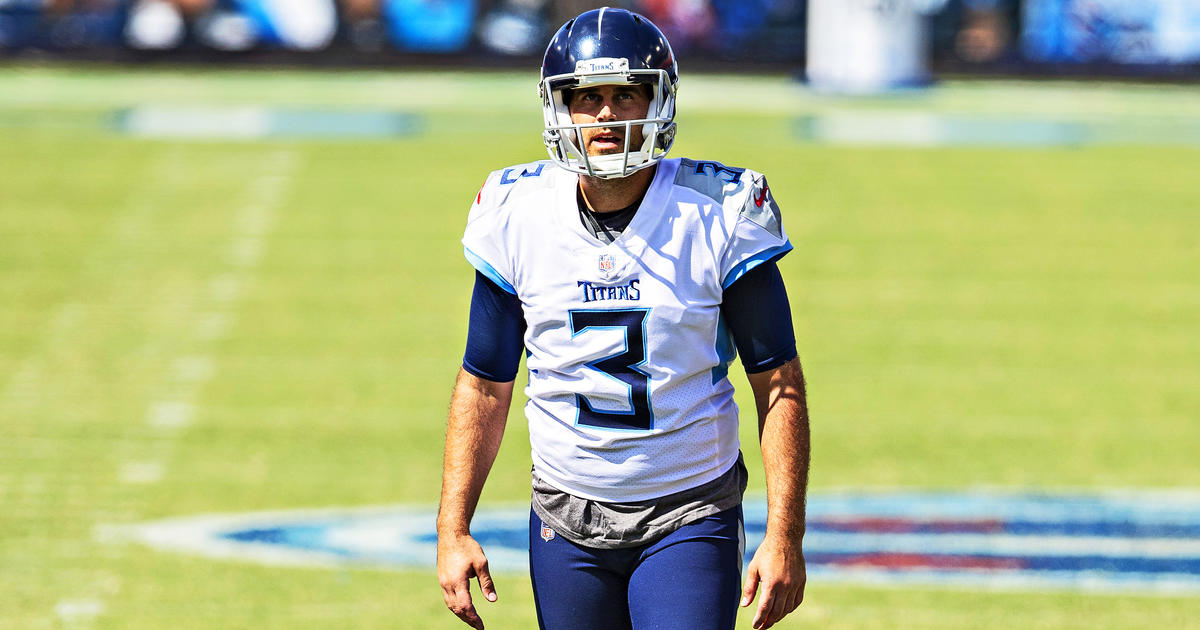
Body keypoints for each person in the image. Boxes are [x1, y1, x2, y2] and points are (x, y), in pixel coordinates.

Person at [436, 7, 810, 630]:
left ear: (657, 101)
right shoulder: (517, 212)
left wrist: (784, 535)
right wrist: (452, 528)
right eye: (588, 97)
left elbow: (779, 383)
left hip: (688, 507)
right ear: (560, 108)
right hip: (564, 509)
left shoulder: (717, 212)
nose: (606, 115)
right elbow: (484, 384)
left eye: (625, 94)